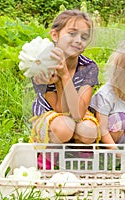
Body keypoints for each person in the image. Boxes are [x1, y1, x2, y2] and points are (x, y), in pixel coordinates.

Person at [30, 9, 100, 145]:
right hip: (50, 114)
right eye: (72, 33)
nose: (78, 41)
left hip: (77, 113)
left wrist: (65, 75)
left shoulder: (88, 67)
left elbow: (78, 113)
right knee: (64, 128)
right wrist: (58, 83)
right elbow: (60, 109)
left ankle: (76, 154)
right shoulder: (41, 67)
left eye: (84, 37)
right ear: (55, 35)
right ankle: (49, 153)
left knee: (89, 131)